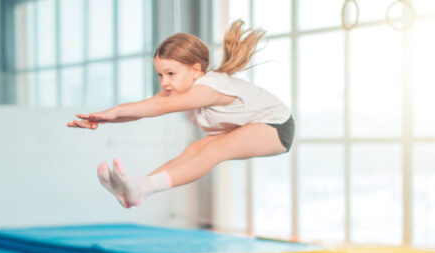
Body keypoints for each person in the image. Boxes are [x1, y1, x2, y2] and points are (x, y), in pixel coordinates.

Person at [67, 20, 294, 208]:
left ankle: (141, 188)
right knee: (194, 150)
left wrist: (114, 111)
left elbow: (157, 108)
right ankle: (137, 189)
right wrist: (104, 118)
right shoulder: (177, 89)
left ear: (195, 70)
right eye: (160, 75)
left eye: (171, 73)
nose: (165, 82)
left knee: (214, 150)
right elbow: (143, 108)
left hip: (276, 126)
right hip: (246, 127)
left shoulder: (209, 88)